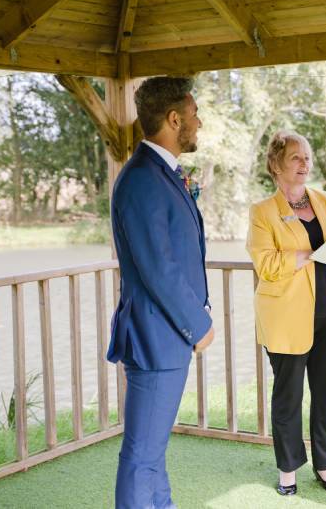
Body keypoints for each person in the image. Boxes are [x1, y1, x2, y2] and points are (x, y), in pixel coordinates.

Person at [107, 76, 214, 509]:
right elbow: (158, 269)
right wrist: (200, 325)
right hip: (157, 337)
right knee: (141, 455)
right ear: (173, 119)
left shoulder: (161, 174)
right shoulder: (141, 180)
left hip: (166, 337)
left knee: (153, 452)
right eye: (193, 115)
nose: (199, 123)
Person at [246, 130, 326, 496]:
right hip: (286, 319)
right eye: (296, 157)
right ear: (276, 165)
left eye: (307, 156)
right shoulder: (262, 212)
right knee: (288, 397)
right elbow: (265, 264)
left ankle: (325, 465)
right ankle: (288, 470)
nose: (304, 163)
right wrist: (307, 256)